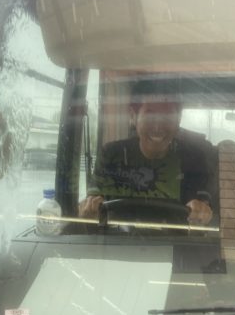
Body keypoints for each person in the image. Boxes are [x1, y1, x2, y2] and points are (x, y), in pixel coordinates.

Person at [79, 86, 214, 225]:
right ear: (133, 116)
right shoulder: (110, 154)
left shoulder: (194, 158)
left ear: (178, 120)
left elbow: (203, 209)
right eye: (150, 115)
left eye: (168, 117)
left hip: (174, 238)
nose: (158, 126)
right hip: (116, 237)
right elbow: (90, 204)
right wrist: (88, 209)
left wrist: (202, 211)